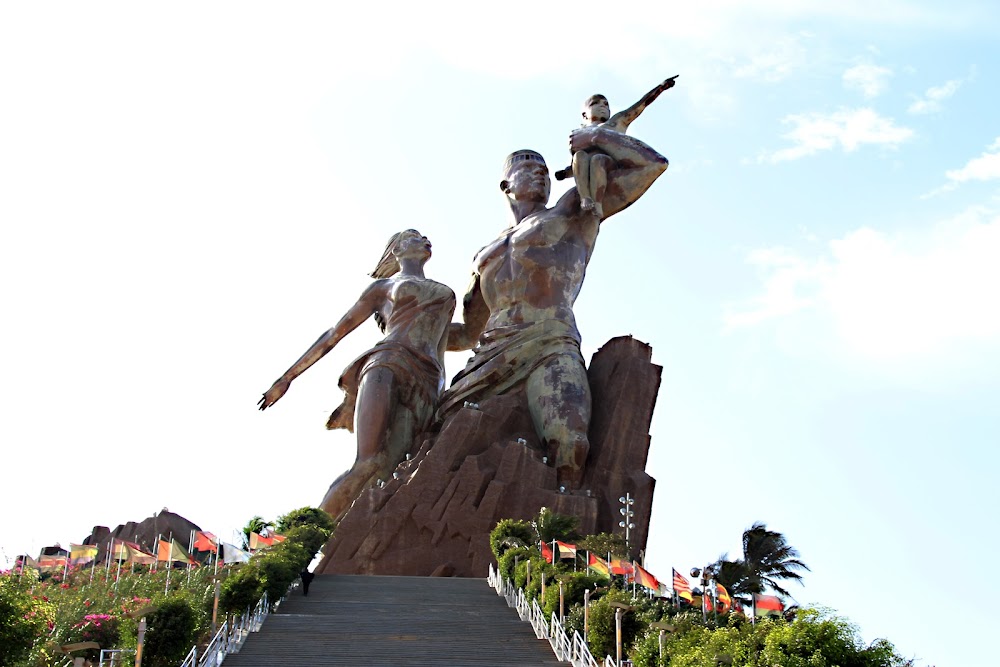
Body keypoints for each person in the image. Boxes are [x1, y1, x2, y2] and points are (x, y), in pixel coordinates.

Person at [439, 113, 669, 489]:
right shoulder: (485, 254)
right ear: (506, 185)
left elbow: (652, 165)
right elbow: (466, 334)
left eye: (545, 169)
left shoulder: (574, 210)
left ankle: (560, 541)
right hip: (489, 354)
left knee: (571, 442)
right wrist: (405, 330)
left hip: (550, 342)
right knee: (437, 444)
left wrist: (596, 135)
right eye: (528, 168)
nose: (541, 174)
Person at [259, 230, 456, 519]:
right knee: (368, 462)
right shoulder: (383, 288)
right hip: (387, 364)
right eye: (415, 236)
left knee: (393, 468)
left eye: (425, 236)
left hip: (427, 381)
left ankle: (356, 544)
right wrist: (288, 377)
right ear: (397, 249)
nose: (425, 239)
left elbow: (456, 338)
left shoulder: (444, 292)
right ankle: (304, 541)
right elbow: (334, 334)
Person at [554, 77, 676, 219]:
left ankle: (598, 203)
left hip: (608, 165)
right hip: (586, 174)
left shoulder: (615, 123)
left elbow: (638, 107)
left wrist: (660, 88)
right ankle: (585, 197)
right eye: (596, 104)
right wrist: (565, 173)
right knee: (579, 156)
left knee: (598, 159)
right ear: (584, 114)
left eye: (606, 104)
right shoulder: (578, 135)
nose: (603, 107)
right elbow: (576, 165)